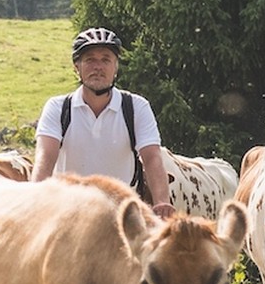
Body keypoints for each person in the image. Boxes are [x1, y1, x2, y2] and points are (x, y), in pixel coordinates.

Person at [31, 26, 171, 212]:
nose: (98, 67)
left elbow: (152, 157)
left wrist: (162, 202)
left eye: (106, 60)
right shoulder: (58, 108)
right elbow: (45, 157)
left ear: (116, 67)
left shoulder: (137, 107)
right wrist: (34, 200)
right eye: (90, 60)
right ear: (77, 67)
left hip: (121, 211)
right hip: (68, 208)